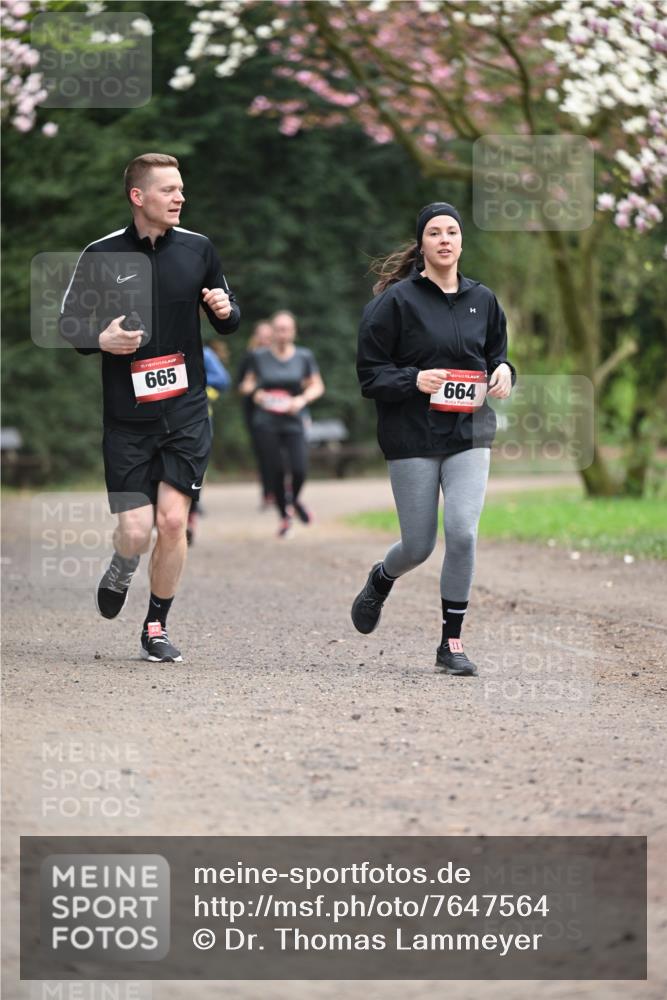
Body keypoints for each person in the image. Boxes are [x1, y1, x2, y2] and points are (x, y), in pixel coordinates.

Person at [59, 152, 240, 662]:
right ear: (139, 197)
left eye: (181, 189)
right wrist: (102, 338)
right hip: (127, 419)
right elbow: (68, 325)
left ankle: (156, 626)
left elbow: (227, 317)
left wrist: (227, 311)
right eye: (168, 190)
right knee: (136, 532)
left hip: (185, 411)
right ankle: (122, 562)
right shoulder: (100, 255)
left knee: (173, 523)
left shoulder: (200, 250)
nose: (180, 197)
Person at [351, 202, 515, 676]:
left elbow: (497, 356)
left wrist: (505, 371)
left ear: (462, 242)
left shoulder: (482, 299)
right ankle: (382, 578)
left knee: (462, 532)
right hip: (412, 436)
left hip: (468, 432)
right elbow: (369, 376)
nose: (445, 239)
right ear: (421, 244)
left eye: (452, 232)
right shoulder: (395, 303)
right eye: (435, 233)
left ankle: (451, 643)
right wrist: (414, 380)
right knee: (418, 545)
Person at [239, 311, 325, 537]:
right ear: (272, 331)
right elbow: (246, 385)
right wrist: (257, 394)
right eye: (278, 329)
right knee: (275, 470)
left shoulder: (304, 356)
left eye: (286, 328)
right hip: (266, 421)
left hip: (294, 419)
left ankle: (294, 500)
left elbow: (317, 386)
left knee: (299, 469)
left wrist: (302, 399)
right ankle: (284, 516)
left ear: (294, 331)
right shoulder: (259, 356)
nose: (282, 333)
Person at [186, 338, 232, 546]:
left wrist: (193, 381)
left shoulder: (202, 353)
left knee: (191, 472)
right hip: (156, 423)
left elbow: (222, 379)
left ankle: (189, 520)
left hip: (197, 421)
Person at [236, 321, 274, 509]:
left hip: (281, 413)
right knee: (264, 455)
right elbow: (241, 386)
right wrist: (254, 391)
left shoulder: (280, 357)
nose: (266, 339)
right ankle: (268, 493)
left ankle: (282, 491)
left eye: (269, 335)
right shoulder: (250, 357)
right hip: (256, 413)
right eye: (262, 335)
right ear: (256, 336)